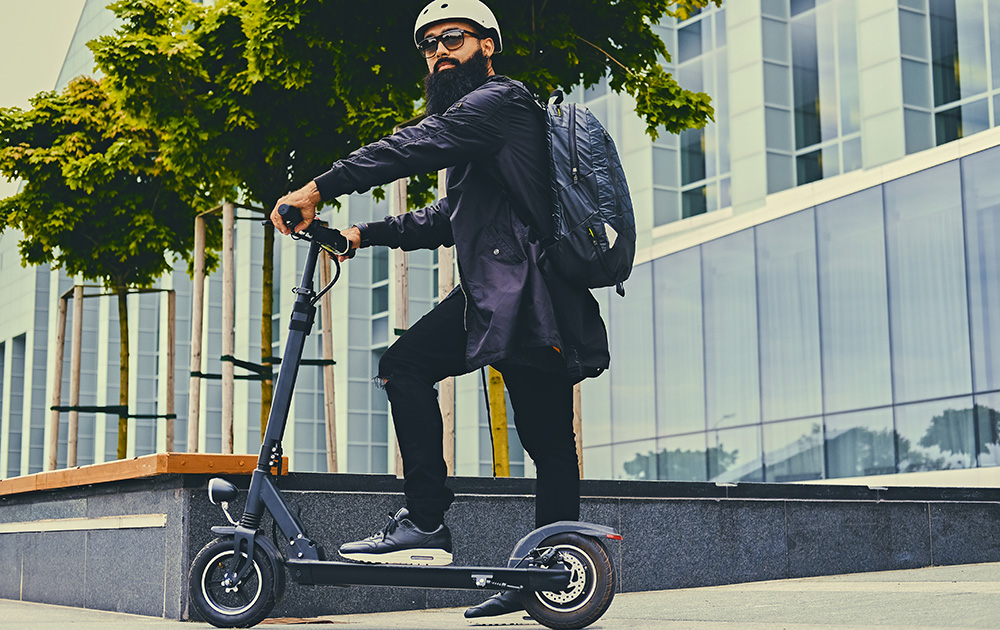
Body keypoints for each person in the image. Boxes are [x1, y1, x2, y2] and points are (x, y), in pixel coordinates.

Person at [270, 0, 610, 619]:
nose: (438, 52)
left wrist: (319, 186)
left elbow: (413, 145)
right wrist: (363, 235)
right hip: (510, 292)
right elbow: (450, 218)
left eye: (452, 38)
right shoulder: (477, 128)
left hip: (526, 291)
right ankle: (545, 573)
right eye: (428, 45)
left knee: (432, 379)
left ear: (488, 44)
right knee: (540, 436)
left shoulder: (498, 103)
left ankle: (433, 524)